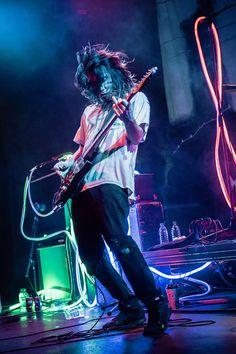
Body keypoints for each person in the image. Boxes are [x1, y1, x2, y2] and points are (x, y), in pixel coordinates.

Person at [54, 44, 170, 336]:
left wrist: (127, 118)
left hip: (111, 182)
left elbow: (137, 137)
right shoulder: (89, 111)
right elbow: (81, 152)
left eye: (102, 79)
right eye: (93, 83)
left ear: (114, 74)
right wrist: (68, 165)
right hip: (81, 187)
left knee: (120, 243)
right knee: (90, 256)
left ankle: (156, 304)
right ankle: (129, 307)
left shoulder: (136, 98)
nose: (100, 86)